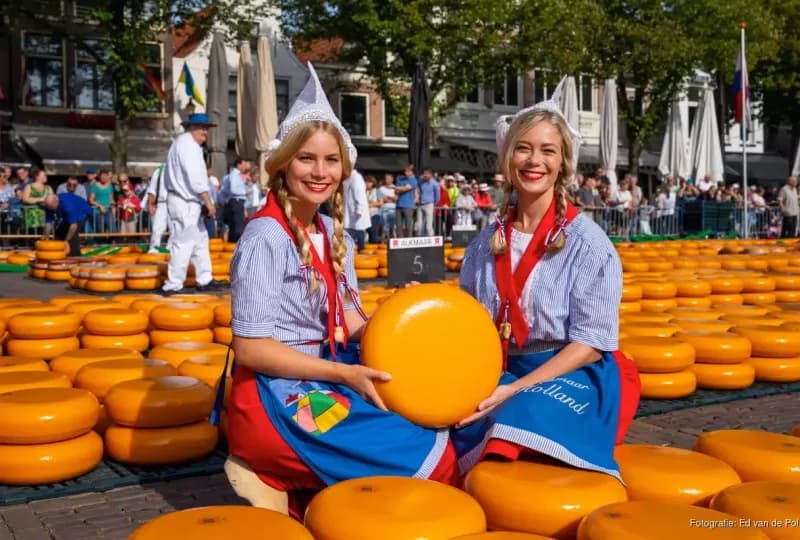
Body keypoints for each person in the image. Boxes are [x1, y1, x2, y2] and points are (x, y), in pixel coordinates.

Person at [222, 64, 456, 518]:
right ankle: (274, 472)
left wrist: (397, 316)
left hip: (325, 373)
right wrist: (346, 376)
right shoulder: (265, 237)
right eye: (307, 158)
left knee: (434, 421)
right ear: (284, 162)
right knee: (424, 453)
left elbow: (348, 323)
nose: (320, 171)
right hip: (279, 394)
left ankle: (304, 490)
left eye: (331, 161)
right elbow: (250, 349)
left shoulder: (331, 231)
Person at [453, 87, 640, 484]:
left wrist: (513, 389)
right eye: (523, 148)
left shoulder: (589, 244)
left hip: (567, 372)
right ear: (508, 159)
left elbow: (590, 344)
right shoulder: (483, 246)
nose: (534, 160)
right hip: (500, 368)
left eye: (547, 151)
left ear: (563, 164)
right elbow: (468, 325)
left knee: (516, 415)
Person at [161, 113, 224, 294]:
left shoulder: (182, 144)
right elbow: (195, 177)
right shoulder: (189, 146)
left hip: (187, 200)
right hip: (185, 201)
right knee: (184, 242)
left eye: (206, 128)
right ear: (191, 128)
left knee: (200, 240)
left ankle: (204, 278)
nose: (205, 132)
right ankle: (174, 284)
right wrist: (208, 201)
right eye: (202, 128)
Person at [146, 163, 168, 252]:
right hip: (162, 203)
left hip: (177, 202)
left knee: (176, 228)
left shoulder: (181, 169)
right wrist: (150, 204)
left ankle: (172, 248)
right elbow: (152, 189)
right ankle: (154, 249)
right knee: (157, 228)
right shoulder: (159, 171)